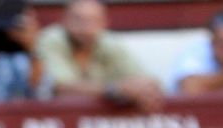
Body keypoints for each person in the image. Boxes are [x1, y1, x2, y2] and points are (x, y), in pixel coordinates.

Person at [35, 0, 163, 112]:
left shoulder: (109, 42)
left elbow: (146, 79)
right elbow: (60, 87)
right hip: (55, 123)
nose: (85, 27)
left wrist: (143, 90)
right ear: (64, 20)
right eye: (78, 19)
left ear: (104, 23)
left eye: (92, 20)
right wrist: (115, 90)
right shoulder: (51, 40)